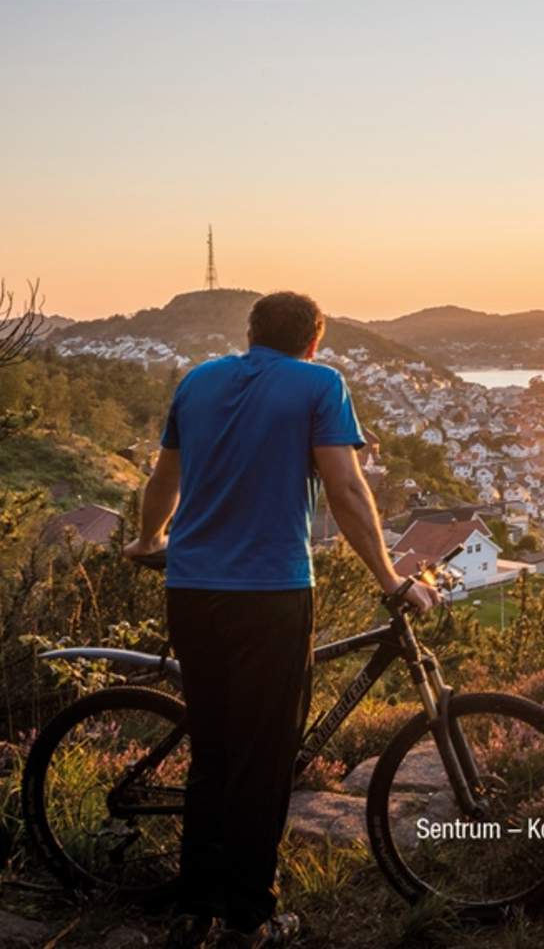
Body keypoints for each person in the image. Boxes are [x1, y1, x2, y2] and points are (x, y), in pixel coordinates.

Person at [123, 291, 439, 948]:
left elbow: (164, 479)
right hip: (269, 593)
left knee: (213, 749)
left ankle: (194, 907)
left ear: (251, 333)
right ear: (313, 342)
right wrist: (390, 578)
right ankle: (249, 918)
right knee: (265, 757)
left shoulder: (198, 381)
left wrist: (149, 540)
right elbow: (348, 489)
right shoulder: (320, 383)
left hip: (191, 587)